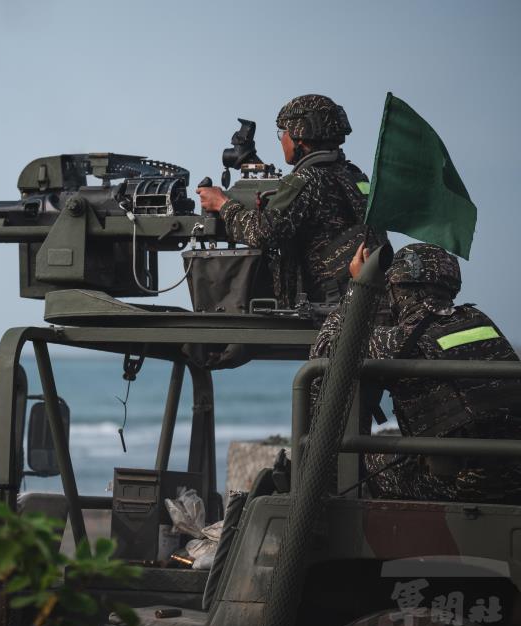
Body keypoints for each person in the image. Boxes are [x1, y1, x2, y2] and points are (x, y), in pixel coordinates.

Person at [316, 242, 521, 502]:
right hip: (514, 475)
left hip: (465, 486)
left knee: (359, 456)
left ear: (397, 288)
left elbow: (326, 350)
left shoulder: (402, 340)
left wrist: (360, 290)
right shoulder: (477, 319)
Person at [196, 94, 385, 307]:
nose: (282, 140)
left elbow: (262, 233)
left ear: (299, 135)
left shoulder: (306, 180)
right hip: (362, 300)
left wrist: (222, 203)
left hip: (328, 310)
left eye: (283, 132)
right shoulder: (355, 176)